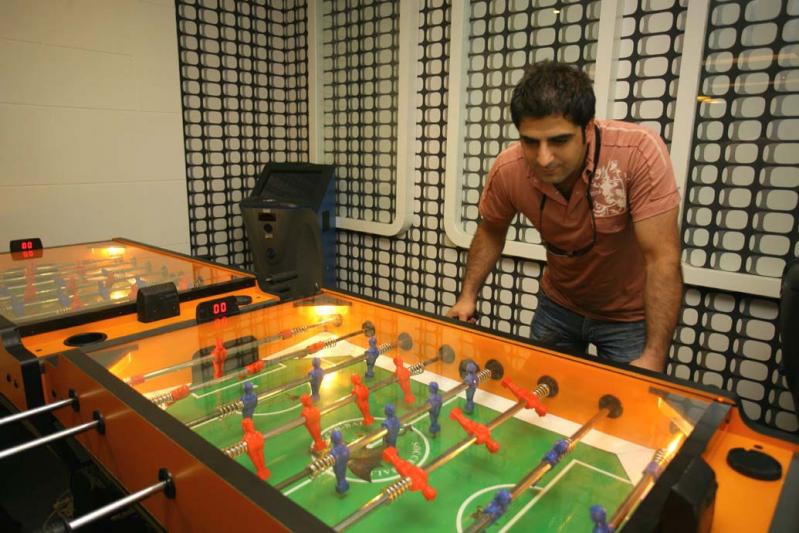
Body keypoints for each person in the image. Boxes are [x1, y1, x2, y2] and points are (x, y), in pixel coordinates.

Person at [447, 61, 682, 372]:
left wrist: (654, 354)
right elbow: (491, 230)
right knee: (540, 390)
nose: (544, 158)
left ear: (587, 129)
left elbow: (662, 258)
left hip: (629, 317)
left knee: (624, 401)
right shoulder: (508, 168)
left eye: (559, 141)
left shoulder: (638, 152)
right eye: (530, 142)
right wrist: (467, 296)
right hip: (558, 306)